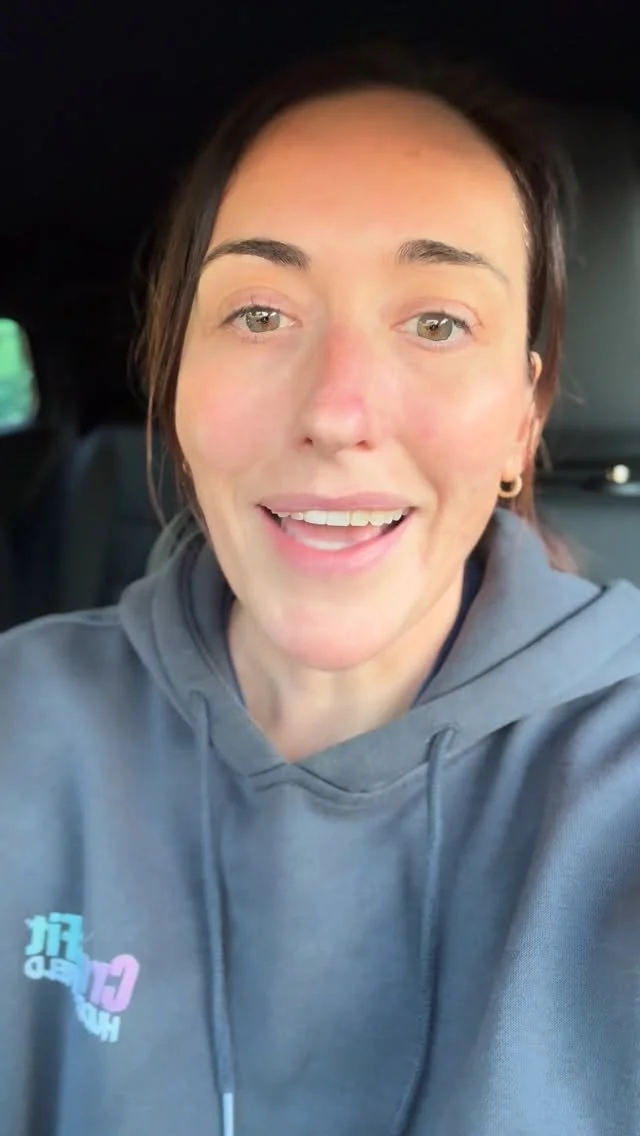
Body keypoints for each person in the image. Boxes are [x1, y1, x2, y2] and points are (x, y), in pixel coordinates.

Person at [3, 41, 640, 1136]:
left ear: (523, 419)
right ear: (175, 381)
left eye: (436, 322)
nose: (336, 413)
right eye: (260, 314)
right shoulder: (22, 718)